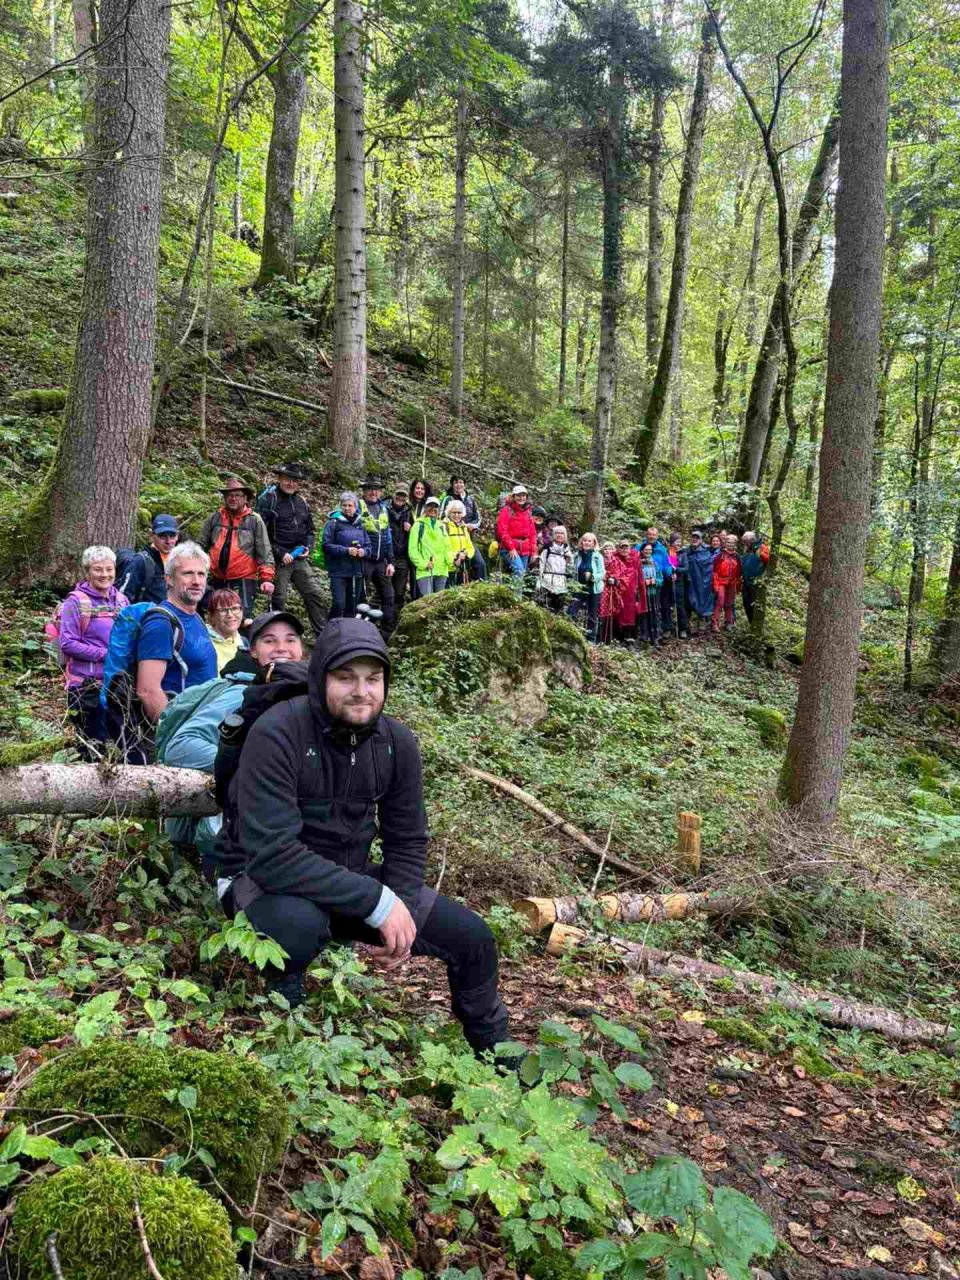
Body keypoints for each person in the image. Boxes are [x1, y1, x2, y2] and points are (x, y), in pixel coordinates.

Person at [208, 617, 511, 1058]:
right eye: (345, 677)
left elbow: (407, 837)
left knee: (474, 938)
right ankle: (284, 1007)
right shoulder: (276, 732)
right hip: (257, 878)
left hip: (343, 877)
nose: (361, 691)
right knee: (298, 924)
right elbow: (272, 856)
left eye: (373, 679)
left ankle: (493, 1048)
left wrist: (401, 905)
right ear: (320, 678)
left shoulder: (396, 742)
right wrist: (375, 901)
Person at [158, 611, 305, 858]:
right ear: (253, 650)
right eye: (269, 641)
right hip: (211, 847)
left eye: (290, 640)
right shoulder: (242, 693)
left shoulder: (299, 693)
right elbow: (181, 745)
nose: (282, 648)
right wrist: (253, 765)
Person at [58, 546, 128, 755]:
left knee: (123, 744)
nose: (105, 575)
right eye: (98, 569)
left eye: (109, 569)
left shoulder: (122, 600)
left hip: (118, 683)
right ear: (87, 572)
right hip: (86, 687)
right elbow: (67, 643)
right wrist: (105, 654)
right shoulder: (77, 601)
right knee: (91, 747)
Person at [255, 462, 326, 637]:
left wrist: (307, 546)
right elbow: (259, 533)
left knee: (314, 594)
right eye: (288, 479)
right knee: (278, 598)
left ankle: (323, 635)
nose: (291, 484)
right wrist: (279, 552)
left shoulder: (301, 501)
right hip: (278, 560)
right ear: (280, 478)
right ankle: (274, 635)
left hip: (299, 558)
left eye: (295, 481)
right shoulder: (269, 499)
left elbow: (310, 529)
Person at [199, 477, 275, 627]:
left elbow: (264, 550)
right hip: (217, 578)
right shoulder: (215, 518)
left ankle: (242, 649)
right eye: (229, 495)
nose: (233, 498)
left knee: (241, 619)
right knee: (217, 616)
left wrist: (266, 578)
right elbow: (200, 545)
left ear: (245, 498)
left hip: (244, 580)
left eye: (237, 495)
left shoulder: (254, 520)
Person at [323, 491, 371, 619]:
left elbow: (369, 547)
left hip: (357, 571)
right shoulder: (333, 523)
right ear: (340, 506)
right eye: (344, 505)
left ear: (355, 507)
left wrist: (363, 552)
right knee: (339, 604)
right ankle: (331, 628)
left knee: (353, 606)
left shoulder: (360, 524)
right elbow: (326, 546)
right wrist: (346, 550)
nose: (347, 508)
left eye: (350, 505)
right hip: (339, 571)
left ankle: (348, 633)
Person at [358, 475, 396, 635]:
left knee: (388, 594)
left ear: (380, 492)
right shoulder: (358, 506)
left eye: (376, 489)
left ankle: (386, 631)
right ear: (365, 491)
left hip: (381, 560)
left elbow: (387, 536)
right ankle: (358, 629)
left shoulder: (383, 508)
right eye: (370, 489)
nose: (373, 492)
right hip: (364, 559)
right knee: (360, 595)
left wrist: (391, 561)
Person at [119, 514, 179, 604]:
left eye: (172, 536)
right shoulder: (140, 562)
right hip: (146, 616)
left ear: (177, 536)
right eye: (162, 536)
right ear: (151, 535)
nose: (168, 541)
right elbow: (124, 600)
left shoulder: (179, 561)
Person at [441, 476, 486, 581]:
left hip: (467, 538)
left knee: (480, 563)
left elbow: (478, 518)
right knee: (457, 568)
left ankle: (480, 587)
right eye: (456, 483)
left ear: (464, 484)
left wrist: (469, 526)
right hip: (450, 538)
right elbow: (441, 516)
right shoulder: (448, 499)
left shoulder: (470, 500)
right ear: (452, 485)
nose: (458, 485)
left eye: (461, 482)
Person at [495, 485, 538, 589]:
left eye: (523, 495)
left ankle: (516, 599)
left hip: (525, 548)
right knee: (519, 571)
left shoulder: (528, 512)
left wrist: (533, 552)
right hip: (509, 548)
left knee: (522, 575)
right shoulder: (507, 510)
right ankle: (516, 599)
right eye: (518, 495)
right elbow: (502, 531)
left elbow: (532, 533)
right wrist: (511, 548)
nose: (521, 498)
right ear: (513, 496)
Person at [409, 495, 451, 595]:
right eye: (430, 506)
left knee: (439, 603)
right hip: (425, 570)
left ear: (439, 509)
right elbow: (412, 549)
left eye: (435, 506)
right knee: (427, 602)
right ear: (425, 508)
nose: (432, 509)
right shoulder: (418, 525)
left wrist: (452, 561)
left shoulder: (441, 526)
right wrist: (423, 564)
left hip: (442, 570)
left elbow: (448, 547)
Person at [568, 532, 604, 642]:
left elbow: (602, 573)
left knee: (592, 614)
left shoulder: (598, 556)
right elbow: (572, 570)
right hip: (579, 587)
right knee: (571, 611)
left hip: (594, 588)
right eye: (585, 540)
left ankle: (591, 639)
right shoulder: (577, 555)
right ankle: (573, 634)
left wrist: (593, 576)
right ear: (581, 542)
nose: (586, 543)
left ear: (594, 543)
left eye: (589, 541)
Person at [205, 588, 249, 673]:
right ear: (211, 616)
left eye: (235, 608)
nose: (230, 615)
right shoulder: (204, 644)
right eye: (223, 610)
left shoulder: (244, 642)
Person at [387, 483, 414, 609]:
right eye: (398, 494)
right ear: (394, 494)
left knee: (399, 592)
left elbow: (415, 534)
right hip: (386, 557)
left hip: (402, 557)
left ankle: (394, 622)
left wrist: (410, 529)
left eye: (403, 496)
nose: (400, 498)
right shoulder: (384, 508)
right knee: (385, 592)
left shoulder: (409, 512)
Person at [538, 525, 574, 613]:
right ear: (554, 534)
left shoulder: (566, 549)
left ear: (564, 535)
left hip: (561, 580)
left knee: (558, 605)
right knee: (546, 606)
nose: (559, 535)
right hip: (547, 580)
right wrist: (540, 579)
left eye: (562, 533)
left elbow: (570, 566)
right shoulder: (548, 548)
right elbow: (542, 563)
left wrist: (570, 558)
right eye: (557, 533)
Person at [685, 530, 715, 633]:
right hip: (689, 580)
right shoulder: (686, 551)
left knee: (702, 599)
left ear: (701, 540)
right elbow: (676, 560)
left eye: (697, 538)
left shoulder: (706, 551)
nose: (694, 539)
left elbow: (710, 566)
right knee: (688, 600)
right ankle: (687, 623)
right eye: (693, 537)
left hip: (702, 580)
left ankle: (701, 620)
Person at [711, 534, 742, 632]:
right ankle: (715, 624)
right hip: (721, 581)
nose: (730, 544)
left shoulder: (737, 556)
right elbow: (714, 570)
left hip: (732, 582)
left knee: (729, 603)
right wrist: (715, 583)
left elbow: (739, 572)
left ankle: (729, 623)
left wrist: (738, 584)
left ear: (735, 544)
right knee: (720, 601)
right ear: (725, 543)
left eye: (732, 543)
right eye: (728, 542)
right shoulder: (720, 555)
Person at [611, 539, 639, 644]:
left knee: (630, 613)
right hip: (618, 591)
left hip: (631, 592)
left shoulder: (634, 559)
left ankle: (629, 637)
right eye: (622, 547)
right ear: (618, 548)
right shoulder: (615, 559)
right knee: (618, 612)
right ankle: (618, 637)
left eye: (626, 547)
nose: (624, 550)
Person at [444, 500, 477, 588]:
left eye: (459, 513)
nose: (456, 515)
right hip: (447, 568)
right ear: (449, 513)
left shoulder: (463, 527)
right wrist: (455, 558)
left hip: (462, 566)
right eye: (454, 512)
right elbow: (443, 547)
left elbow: (470, 546)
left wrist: (465, 554)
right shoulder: (444, 526)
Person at [740, 531, 769, 624]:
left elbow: (768, 561)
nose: (744, 544)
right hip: (746, 582)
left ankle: (756, 626)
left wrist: (759, 553)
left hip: (756, 583)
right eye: (743, 542)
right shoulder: (747, 549)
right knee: (747, 604)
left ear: (752, 540)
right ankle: (751, 624)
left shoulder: (761, 547)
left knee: (755, 605)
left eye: (746, 541)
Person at [637, 542, 662, 646]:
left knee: (654, 613)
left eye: (650, 550)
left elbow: (660, 577)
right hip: (642, 593)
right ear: (642, 551)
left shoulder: (655, 563)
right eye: (646, 550)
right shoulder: (638, 563)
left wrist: (656, 581)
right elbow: (635, 578)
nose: (648, 552)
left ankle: (655, 636)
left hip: (653, 592)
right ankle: (644, 635)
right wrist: (643, 582)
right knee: (644, 614)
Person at [598, 544, 623, 645]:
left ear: (614, 550)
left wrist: (615, 579)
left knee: (612, 610)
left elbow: (622, 574)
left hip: (613, 589)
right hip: (603, 587)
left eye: (610, 549)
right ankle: (601, 637)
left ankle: (610, 638)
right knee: (602, 610)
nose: (608, 551)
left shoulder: (617, 561)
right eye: (606, 549)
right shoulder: (600, 560)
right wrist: (605, 578)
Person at [667, 532, 690, 640]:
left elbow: (686, 568)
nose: (678, 544)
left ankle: (683, 629)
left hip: (679, 582)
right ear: (672, 542)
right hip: (668, 581)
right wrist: (670, 571)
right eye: (677, 541)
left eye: (680, 542)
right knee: (667, 605)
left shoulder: (682, 553)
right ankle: (668, 628)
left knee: (680, 605)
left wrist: (676, 569)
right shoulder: (668, 552)